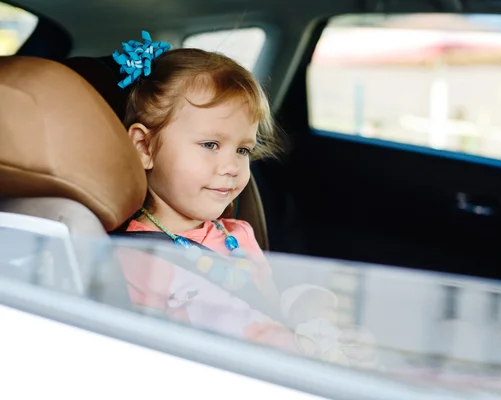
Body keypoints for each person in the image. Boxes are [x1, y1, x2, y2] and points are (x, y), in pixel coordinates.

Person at [113, 31, 378, 367]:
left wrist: (310, 313)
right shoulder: (142, 257)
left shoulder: (237, 233)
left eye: (242, 150)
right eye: (210, 145)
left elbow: (265, 305)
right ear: (144, 147)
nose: (231, 166)